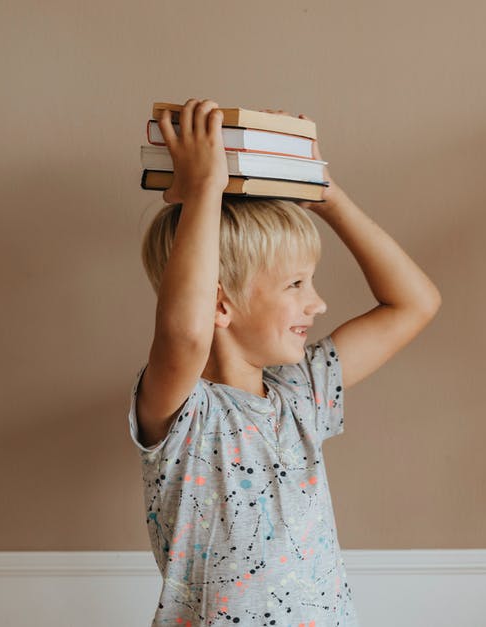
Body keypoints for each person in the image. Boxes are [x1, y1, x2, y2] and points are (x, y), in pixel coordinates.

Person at [131, 99, 440, 625]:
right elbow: (184, 332)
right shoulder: (186, 412)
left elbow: (415, 303)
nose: (316, 303)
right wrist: (206, 187)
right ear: (220, 304)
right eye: (295, 285)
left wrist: (326, 195)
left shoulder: (302, 392)